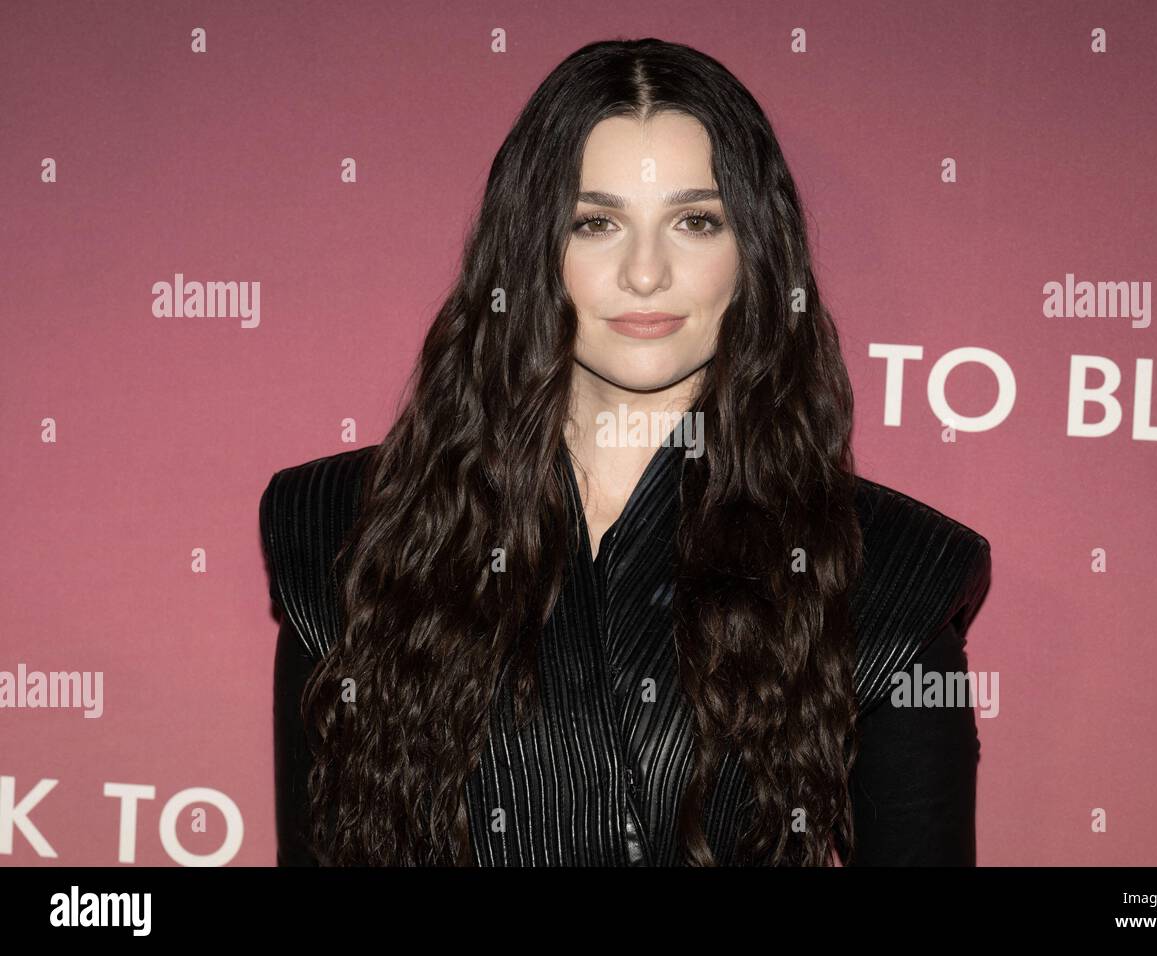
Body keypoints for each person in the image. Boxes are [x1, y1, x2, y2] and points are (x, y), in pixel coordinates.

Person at [259, 37, 991, 867]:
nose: (646, 272)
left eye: (695, 220)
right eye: (597, 222)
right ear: (534, 248)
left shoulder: (886, 570)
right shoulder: (346, 531)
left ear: (755, 252)